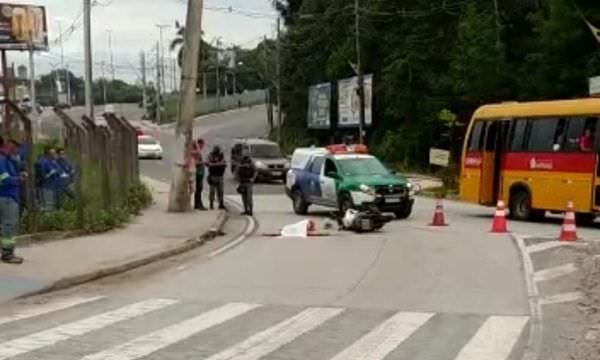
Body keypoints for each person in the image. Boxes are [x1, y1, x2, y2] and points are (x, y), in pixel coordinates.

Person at [0, 131, 27, 264]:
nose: (17, 150)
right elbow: (4, 179)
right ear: (8, 145)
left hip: (8, 196)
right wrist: (19, 179)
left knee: (6, 225)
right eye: (15, 147)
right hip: (6, 197)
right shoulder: (1, 160)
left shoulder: (7, 159)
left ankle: (7, 252)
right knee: (9, 225)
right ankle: (7, 254)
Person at [35, 145, 61, 211]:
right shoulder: (42, 162)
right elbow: (42, 176)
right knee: (47, 206)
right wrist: (50, 174)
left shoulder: (53, 162)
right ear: (48, 154)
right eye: (53, 154)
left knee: (52, 205)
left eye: (55, 153)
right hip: (45, 187)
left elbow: (59, 171)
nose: (55, 155)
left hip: (52, 186)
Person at [236, 150, 256, 215]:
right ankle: (246, 210)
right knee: (244, 197)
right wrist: (238, 179)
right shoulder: (240, 162)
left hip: (248, 182)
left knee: (249, 197)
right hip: (242, 181)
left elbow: (255, 171)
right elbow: (237, 171)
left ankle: (250, 210)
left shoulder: (251, 162)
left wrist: (253, 178)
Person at [207, 145, 227, 210]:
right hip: (212, 176)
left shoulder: (221, 155)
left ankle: (221, 204)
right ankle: (211, 204)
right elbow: (208, 163)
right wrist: (218, 163)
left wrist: (214, 164)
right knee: (212, 191)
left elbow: (224, 163)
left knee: (220, 191)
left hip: (220, 175)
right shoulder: (210, 155)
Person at [192, 138, 206, 210]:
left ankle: (198, 203)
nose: (203, 146)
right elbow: (195, 162)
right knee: (198, 189)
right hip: (198, 172)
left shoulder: (198, 152)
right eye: (202, 144)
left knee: (199, 189)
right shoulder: (196, 152)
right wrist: (203, 163)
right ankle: (198, 204)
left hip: (200, 172)